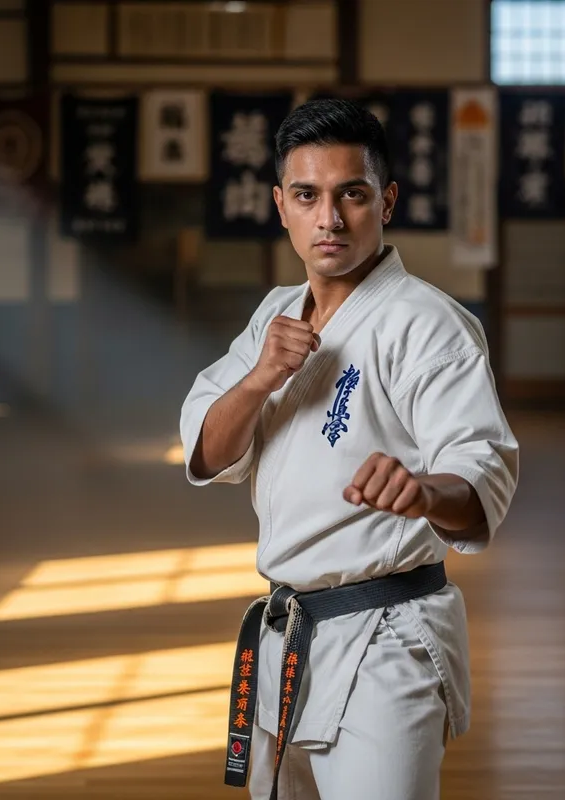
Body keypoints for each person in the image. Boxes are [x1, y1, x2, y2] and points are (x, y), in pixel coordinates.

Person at [180, 98, 518, 800]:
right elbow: (208, 450)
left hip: (388, 641)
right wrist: (262, 376)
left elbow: (480, 474)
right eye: (307, 196)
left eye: (352, 195)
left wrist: (425, 491)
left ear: (386, 200)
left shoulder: (428, 325)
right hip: (288, 637)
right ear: (281, 204)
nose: (329, 219)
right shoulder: (272, 318)